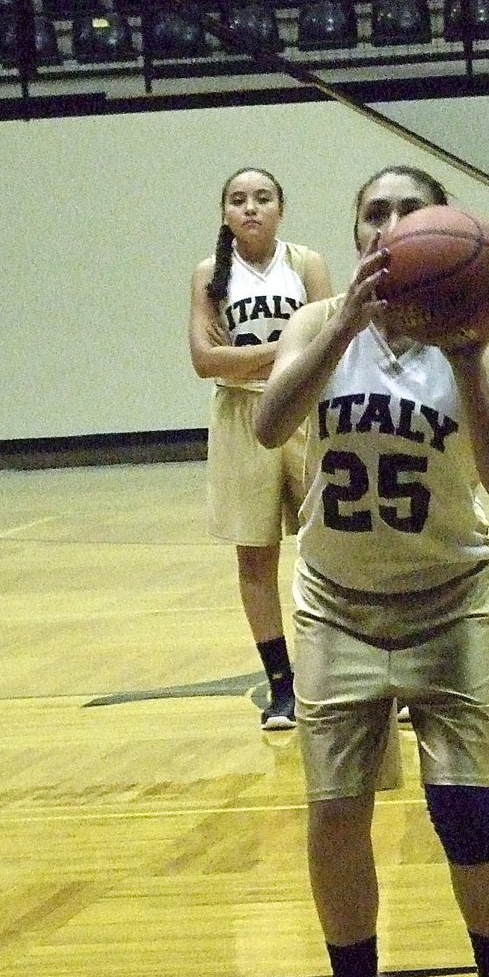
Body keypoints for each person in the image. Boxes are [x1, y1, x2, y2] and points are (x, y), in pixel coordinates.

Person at [253, 165, 489, 977]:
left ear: (442, 225)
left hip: (452, 602)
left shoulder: (476, 341)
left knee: (463, 807)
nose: (394, 225)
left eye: (413, 211)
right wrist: (343, 329)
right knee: (336, 813)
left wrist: (472, 362)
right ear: (358, 238)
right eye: (377, 214)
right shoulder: (313, 326)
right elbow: (270, 427)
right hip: (338, 607)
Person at [189, 166, 335, 730]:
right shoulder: (209, 274)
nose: (251, 208)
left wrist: (249, 355)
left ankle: (348, 673)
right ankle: (283, 687)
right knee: (254, 555)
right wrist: (285, 349)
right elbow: (204, 362)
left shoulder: (307, 264)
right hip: (238, 415)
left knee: (334, 543)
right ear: (225, 214)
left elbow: (331, 338)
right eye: (238, 200)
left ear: (280, 209)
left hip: (303, 410)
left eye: (262, 198)